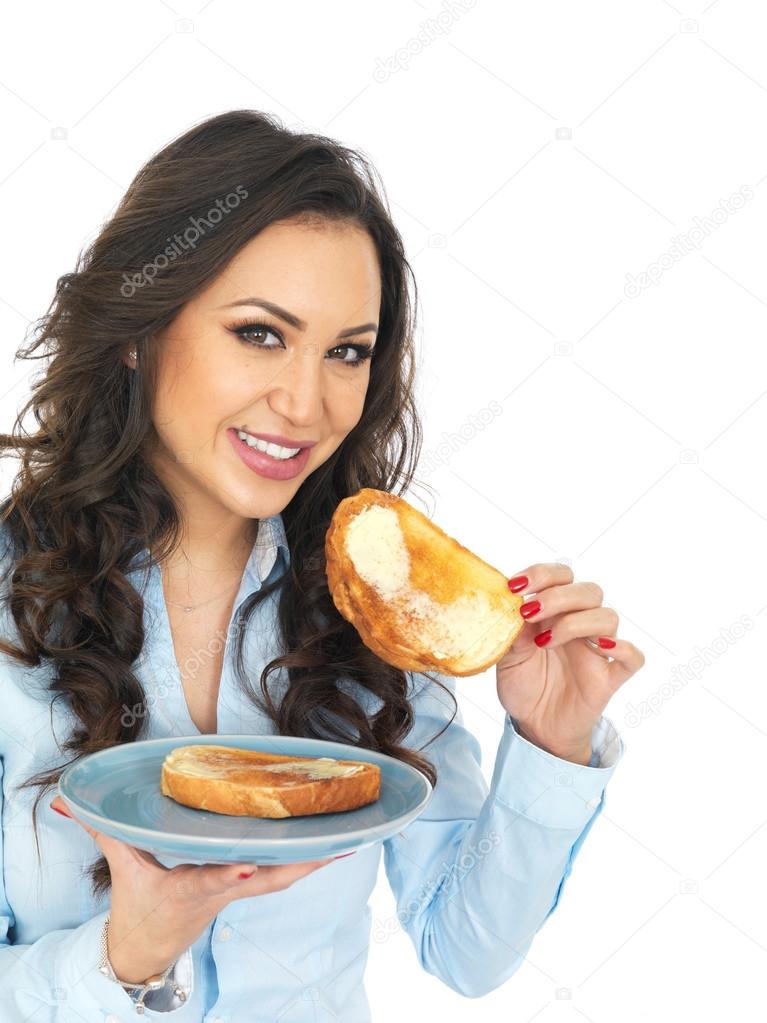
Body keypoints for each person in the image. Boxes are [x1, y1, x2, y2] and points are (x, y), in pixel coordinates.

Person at [0, 109, 645, 1020]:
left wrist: (551, 739)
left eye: (347, 351)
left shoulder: (375, 610)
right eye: (260, 333)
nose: (306, 402)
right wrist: (125, 956)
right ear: (141, 330)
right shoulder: (9, 607)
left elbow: (462, 947)